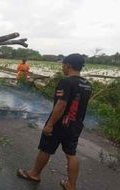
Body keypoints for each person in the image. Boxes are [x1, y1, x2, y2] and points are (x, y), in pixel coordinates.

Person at [17, 54, 92, 190]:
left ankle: (34, 174)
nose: (62, 68)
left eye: (63, 65)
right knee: (71, 154)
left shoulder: (66, 82)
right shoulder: (87, 85)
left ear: (67, 65)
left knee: (45, 149)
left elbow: (61, 105)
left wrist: (50, 124)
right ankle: (71, 185)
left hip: (60, 123)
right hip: (75, 125)